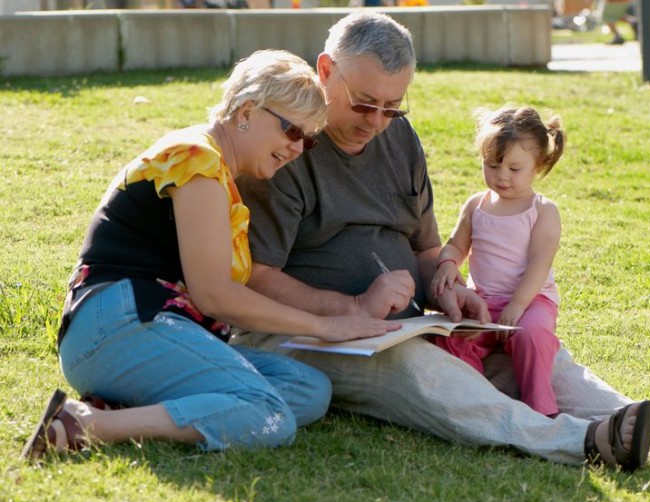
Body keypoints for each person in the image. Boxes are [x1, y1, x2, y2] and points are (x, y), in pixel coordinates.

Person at [233, 11, 650, 468]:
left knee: (529, 351)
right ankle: (579, 442)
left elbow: (423, 247)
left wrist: (448, 286)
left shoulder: (399, 137)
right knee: (420, 370)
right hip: (310, 334)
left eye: (392, 107)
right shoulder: (284, 146)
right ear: (326, 70)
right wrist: (350, 308)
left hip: (403, 323)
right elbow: (254, 279)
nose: (376, 122)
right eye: (363, 103)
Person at [21, 49, 401, 461]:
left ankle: (128, 408)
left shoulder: (216, 171)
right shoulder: (197, 159)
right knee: (269, 410)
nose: (298, 149)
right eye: (293, 131)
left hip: (147, 328)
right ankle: (87, 423)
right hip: (117, 326)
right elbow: (214, 295)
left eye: (308, 140)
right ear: (247, 110)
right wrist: (323, 324)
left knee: (308, 390)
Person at [430, 105, 566, 418]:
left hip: (532, 300)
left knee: (532, 336)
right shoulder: (476, 205)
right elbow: (455, 245)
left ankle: (542, 408)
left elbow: (538, 265)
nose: (501, 176)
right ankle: (476, 401)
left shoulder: (543, 211)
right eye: (492, 165)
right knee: (452, 338)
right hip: (483, 302)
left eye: (514, 169)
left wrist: (518, 305)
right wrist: (448, 263)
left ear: (539, 165)